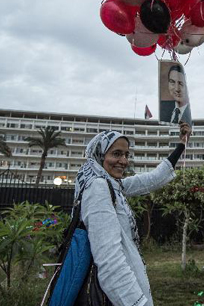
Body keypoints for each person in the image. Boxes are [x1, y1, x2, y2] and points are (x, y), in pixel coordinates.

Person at [75, 122, 191, 306]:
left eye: (126, 154)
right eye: (116, 153)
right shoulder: (97, 188)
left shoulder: (112, 185)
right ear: (99, 155)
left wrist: (182, 144)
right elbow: (110, 262)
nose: (124, 161)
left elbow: (153, 179)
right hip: (116, 296)